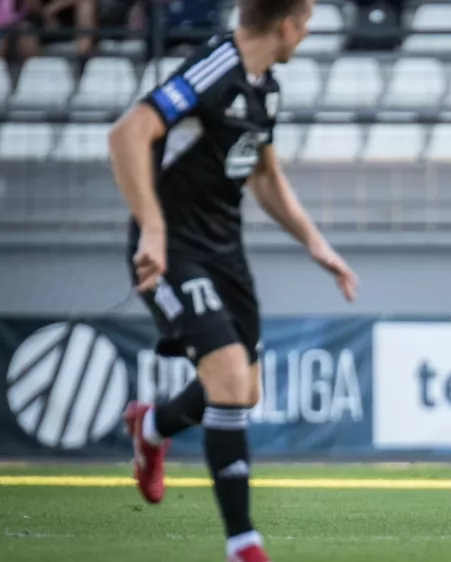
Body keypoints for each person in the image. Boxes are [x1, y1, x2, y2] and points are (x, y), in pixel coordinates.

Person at [107, 0, 359, 560]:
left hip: (226, 252)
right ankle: (244, 543)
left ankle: (152, 427)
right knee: (225, 381)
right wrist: (151, 229)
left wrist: (316, 244)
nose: (307, 34)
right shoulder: (213, 67)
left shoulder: (266, 86)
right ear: (287, 26)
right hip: (172, 250)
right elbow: (128, 134)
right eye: (307, 24)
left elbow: (263, 172)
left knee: (244, 390)